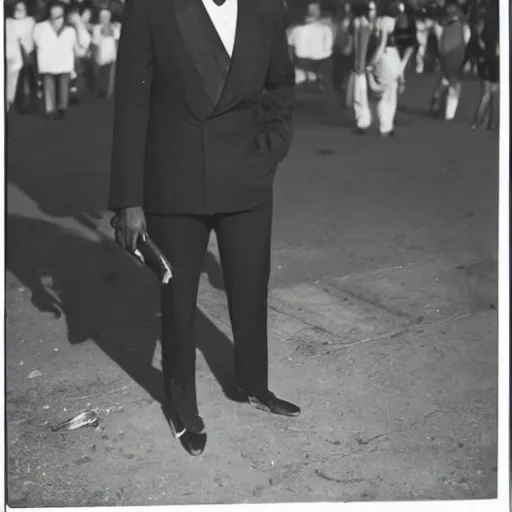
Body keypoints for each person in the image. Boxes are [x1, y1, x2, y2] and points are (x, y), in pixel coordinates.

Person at [109, 0, 300, 457]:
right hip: (175, 182)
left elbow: (281, 87)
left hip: (247, 179)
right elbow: (132, 104)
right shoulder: (150, 9)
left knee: (251, 289)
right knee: (178, 304)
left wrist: (271, 149)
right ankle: (181, 405)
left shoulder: (267, 8)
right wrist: (127, 200)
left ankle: (253, 385)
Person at [33, 0, 91, 119]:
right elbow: (37, 41)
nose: (56, 17)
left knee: (64, 84)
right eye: (53, 14)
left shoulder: (70, 30)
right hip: (48, 61)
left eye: (59, 15)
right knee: (48, 83)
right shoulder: (41, 27)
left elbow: (79, 44)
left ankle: (62, 108)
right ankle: (50, 109)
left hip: (64, 61)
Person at [430, 1, 471, 121]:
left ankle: (438, 96)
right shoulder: (461, 22)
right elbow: (466, 38)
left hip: (445, 53)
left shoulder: (443, 21)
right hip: (456, 52)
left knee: (447, 77)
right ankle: (449, 113)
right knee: (456, 82)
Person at [287, 2, 334, 90]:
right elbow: (328, 49)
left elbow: (289, 47)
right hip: (321, 64)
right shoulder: (326, 29)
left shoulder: (295, 29)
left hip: (302, 64)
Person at [470, 7, 499, 129]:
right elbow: (497, 50)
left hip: (485, 63)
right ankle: (489, 122)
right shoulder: (496, 31)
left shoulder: (480, 32)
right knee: (492, 94)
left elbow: (478, 46)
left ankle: (479, 122)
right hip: (493, 63)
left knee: (487, 94)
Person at [8, 1, 37, 113]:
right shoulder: (8, 22)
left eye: (22, 9)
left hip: (28, 55)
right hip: (13, 56)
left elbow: (33, 37)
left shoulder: (30, 21)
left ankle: (27, 104)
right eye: (18, 9)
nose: (20, 11)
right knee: (14, 81)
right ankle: (13, 102)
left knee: (28, 79)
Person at [91, 7, 120, 98]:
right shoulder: (96, 28)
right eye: (103, 16)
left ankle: (109, 93)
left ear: (110, 17)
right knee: (98, 74)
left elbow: (116, 41)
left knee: (110, 75)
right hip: (100, 55)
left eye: (107, 16)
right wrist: (95, 55)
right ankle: (97, 91)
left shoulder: (115, 27)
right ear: (100, 17)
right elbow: (95, 43)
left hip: (112, 55)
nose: (105, 18)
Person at [331, 1, 354, 94]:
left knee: (342, 67)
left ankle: (342, 86)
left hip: (343, 46)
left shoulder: (347, 18)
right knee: (341, 67)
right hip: (340, 45)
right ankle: (341, 85)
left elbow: (350, 33)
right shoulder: (340, 17)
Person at [5, 16, 24, 113]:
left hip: (11, 56)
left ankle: (9, 101)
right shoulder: (10, 22)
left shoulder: (10, 23)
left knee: (11, 79)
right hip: (11, 56)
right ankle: (9, 100)